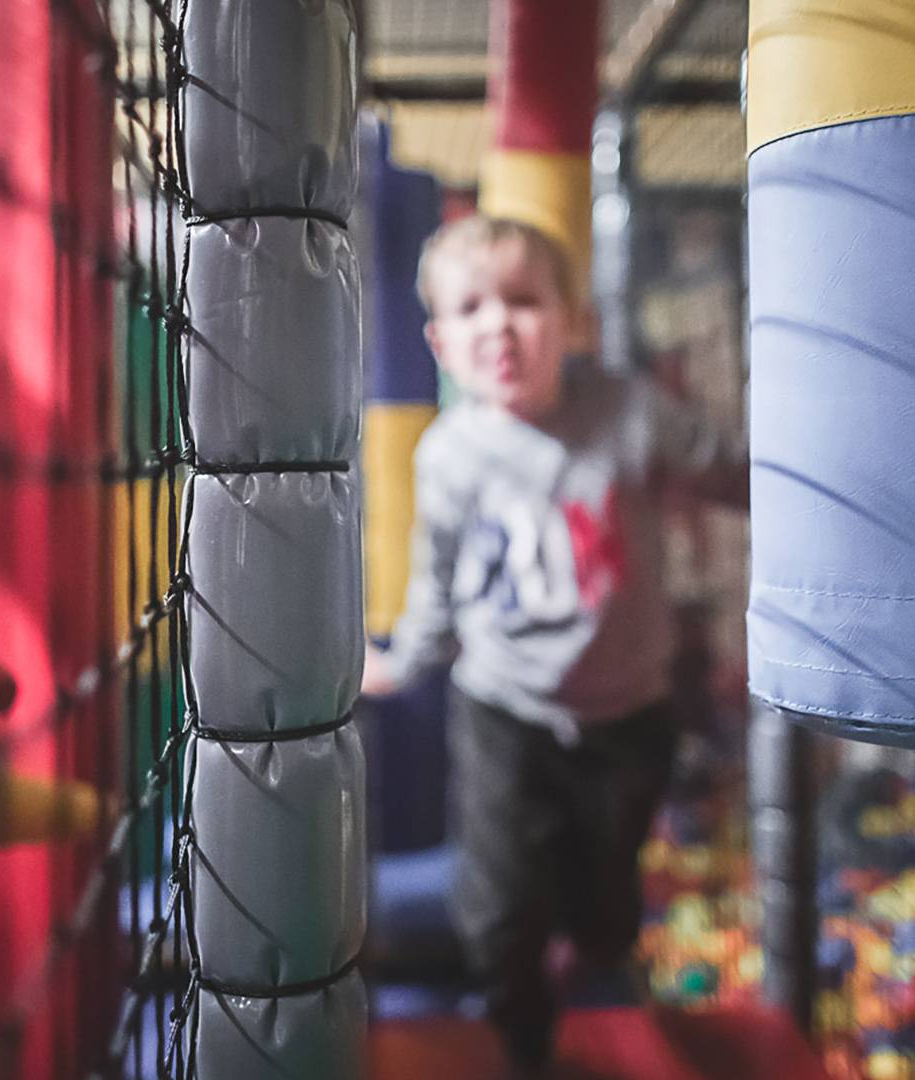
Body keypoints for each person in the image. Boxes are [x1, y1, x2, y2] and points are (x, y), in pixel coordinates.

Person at [361, 214, 748, 1075]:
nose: (498, 325)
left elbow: (726, 467)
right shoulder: (449, 454)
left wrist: (805, 496)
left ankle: (593, 945)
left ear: (576, 325)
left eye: (525, 302)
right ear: (440, 343)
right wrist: (405, 661)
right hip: (505, 707)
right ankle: (524, 1039)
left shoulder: (629, 412)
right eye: (470, 310)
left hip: (629, 712)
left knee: (607, 911)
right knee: (498, 907)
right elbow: (439, 576)